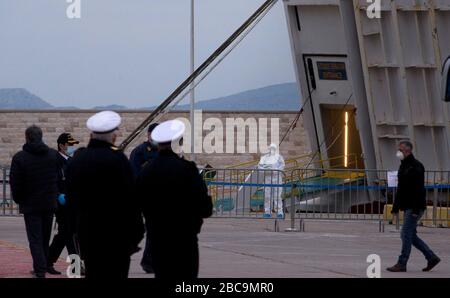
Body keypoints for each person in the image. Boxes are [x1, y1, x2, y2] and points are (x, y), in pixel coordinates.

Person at [66, 111, 144, 278]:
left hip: (88, 234)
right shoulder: (118, 160)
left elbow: (72, 200)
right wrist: (136, 234)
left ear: (90, 134)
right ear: (114, 135)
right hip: (116, 236)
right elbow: (131, 201)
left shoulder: (77, 160)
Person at [136, 119, 213, 279]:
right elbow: (205, 208)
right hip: (185, 239)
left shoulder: (147, 171)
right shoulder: (188, 170)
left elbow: (137, 203)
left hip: (158, 239)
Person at [10, 125, 60, 278]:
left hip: (31, 204)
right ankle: (43, 265)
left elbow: (15, 183)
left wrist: (19, 199)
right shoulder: (53, 155)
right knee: (45, 237)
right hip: (49, 202)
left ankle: (40, 270)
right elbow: (57, 178)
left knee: (35, 239)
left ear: (27, 137)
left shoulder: (20, 158)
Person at [387, 140, 441, 272]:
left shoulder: (416, 166)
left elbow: (419, 190)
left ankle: (402, 263)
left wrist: (416, 210)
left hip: (415, 206)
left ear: (408, 151)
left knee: (405, 234)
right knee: (411, 235)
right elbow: (401, 189)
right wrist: (395, 208)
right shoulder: (403, 166)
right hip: (407, 206)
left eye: (400, 150)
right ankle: (431, 257)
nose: (398, 152)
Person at [47, 133, 80, 275]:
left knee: (64, 235)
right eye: (69, 144)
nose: (72, 147)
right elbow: (52, 181)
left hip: (72, 203)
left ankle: (47, 261)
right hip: (62, 205)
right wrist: (57, 195)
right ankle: (76, 266)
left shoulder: (71, 160)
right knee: (70, 234)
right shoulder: (55, 161)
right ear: (61, 145)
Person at [129, 123, 159, 274]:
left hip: (155, 198)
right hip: (140, 196)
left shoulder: (162, 151)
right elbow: (133, 175)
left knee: (154, 229)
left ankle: (149, 261)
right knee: (136, 230)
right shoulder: (139, 152)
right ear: (148, 134)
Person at [258, 143, 285, 219]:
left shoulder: (279, 157)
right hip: (267, 177)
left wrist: (275, 170)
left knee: (277, 196)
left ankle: (279, 212)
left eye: (273, 149)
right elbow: (260, 166)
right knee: (267, 195)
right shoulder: (264, 158)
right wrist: (266, 170)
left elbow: (282, 165)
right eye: (270, 149)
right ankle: (267, 212)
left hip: (277, 177)